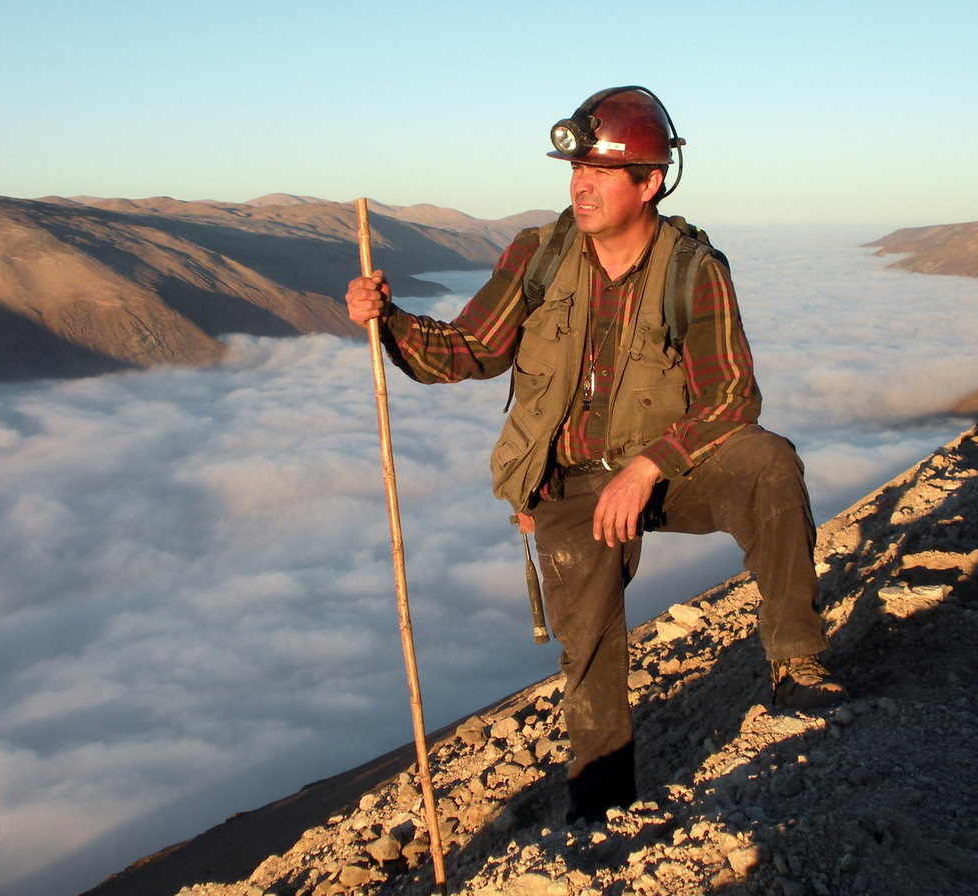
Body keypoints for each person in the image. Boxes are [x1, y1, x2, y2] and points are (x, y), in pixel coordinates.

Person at [345, 86, 839, 823]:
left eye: (602, 171)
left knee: (768, 463)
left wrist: (647, 467)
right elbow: (471, 351)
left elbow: (733, 399)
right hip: (570, 485)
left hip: (669, 472)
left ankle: (797, 662)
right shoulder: (538, 255)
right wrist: (388, 321)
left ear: (650, 183)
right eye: (576, 167)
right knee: (590, 652)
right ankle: (604, 815)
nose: (581, 183)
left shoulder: (691, 268)